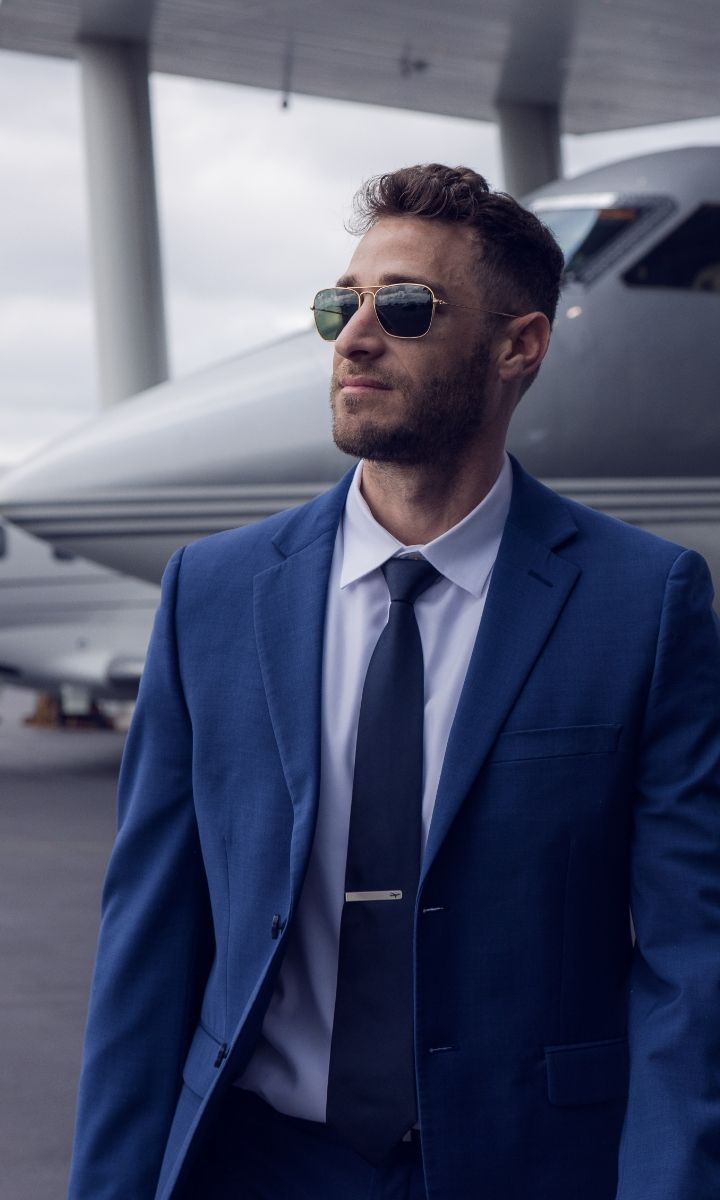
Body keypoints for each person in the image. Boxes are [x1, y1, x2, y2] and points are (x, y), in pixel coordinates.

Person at [68, 164, 720, 1200]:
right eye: (343, 303)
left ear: (520, 346)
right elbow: (146, 945)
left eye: (406, 307)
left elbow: (694, 963)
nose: (355, 337)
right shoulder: (215, 593)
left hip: (531, 1170)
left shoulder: (643, 602)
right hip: (255, 1167)